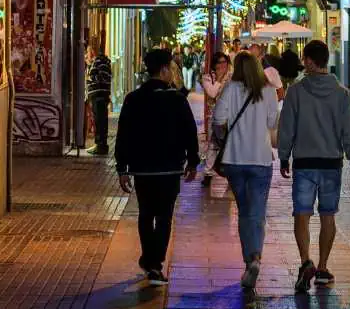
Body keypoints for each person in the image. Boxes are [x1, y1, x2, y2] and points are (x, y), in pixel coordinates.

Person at [277, 39, 350, 292]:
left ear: (311, 62)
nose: (303, 63)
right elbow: (349, 133)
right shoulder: (342, 94)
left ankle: (306, 262)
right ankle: (323, 267)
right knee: (328, 216)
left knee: (301, 214)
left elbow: (287, 127)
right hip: (331, 164)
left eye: (305, 59)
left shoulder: (295, 91)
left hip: (304, 163)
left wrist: (284, 156)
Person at [114, 48, 199, 286]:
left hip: (142, 168)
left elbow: (124, 134)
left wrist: (122, 167)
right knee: (164, 216)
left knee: (146, 214)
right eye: (171, 68)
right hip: (169, 168)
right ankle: (154, 263)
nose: (173, 72)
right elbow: (189, 132)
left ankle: (149, 259)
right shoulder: (176, 100)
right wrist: (193, 161)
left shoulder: (133, 99)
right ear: (163, 70)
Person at [213, 50, 279, 291]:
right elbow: (272, 123)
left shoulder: (230, 89)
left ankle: (250, 260)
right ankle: (255, 258)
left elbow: (218, 121)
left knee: (243, 212)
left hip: (235, 159)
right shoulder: (269, 90)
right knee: (257, 212)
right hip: (261, 159)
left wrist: (223, 140)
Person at [201, 51, 232, 188]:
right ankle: (208, 173)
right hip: (214, 117)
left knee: (230, 145)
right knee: (213, 145)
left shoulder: (232, 78)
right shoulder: (208, 78)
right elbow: (212, 93)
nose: (223, 66)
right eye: (219, 63)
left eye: (225, 62)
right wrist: (219, 79)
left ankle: (230, 173)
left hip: (230, 116)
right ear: (214, 65)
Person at [86, 43, 112, 156]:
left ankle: (100, 145)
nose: (87, 54)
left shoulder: (100, 62)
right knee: (99, 121)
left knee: (100, 121)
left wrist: (90, 78)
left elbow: (104, 77)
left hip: (99, 95)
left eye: (88, 51)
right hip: (99, 95)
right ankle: (100, 144)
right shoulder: (97, 62)